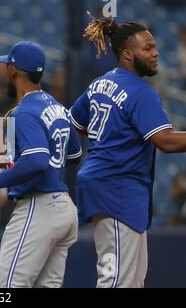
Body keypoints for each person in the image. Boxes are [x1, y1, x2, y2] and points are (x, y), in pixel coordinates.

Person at [70, 17, 186, 288]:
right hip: (116, 187)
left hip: (106, 183)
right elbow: (166, 141)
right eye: (147, 48)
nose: (155, 53)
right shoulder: (140, 92)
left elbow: (76, 122)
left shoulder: (100, 83)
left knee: (131, 279)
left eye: (155, 47)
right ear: (127, 54)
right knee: (118, 279)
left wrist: (112, 138)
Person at [0, 41, 82, 288]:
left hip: (38, 206)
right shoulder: (57, 106)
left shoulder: (23, 112)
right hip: (64, 207)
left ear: (13, 71)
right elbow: (73, 155)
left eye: (7, 66)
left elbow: (36, 161)